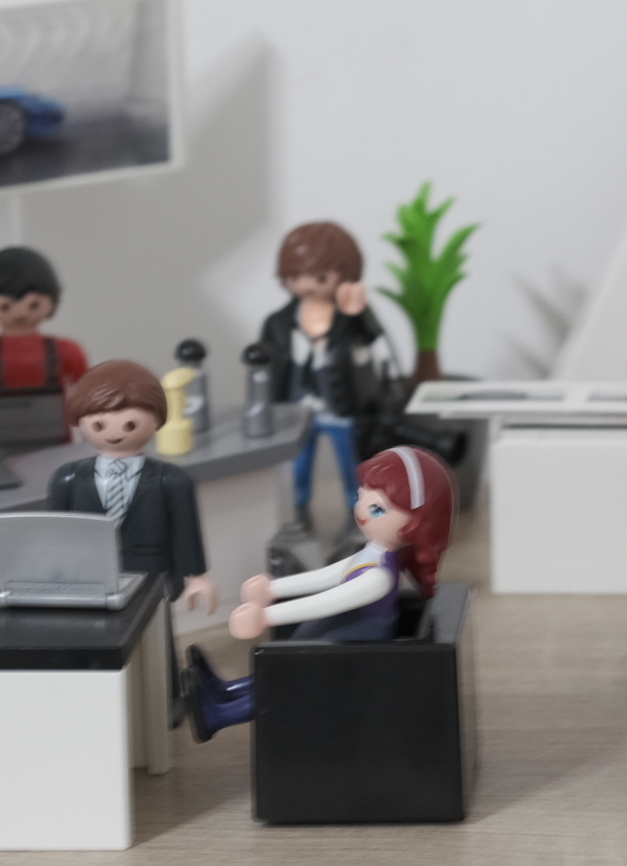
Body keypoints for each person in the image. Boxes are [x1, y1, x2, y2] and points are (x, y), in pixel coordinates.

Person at [183, 444, 450, 742]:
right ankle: (224, 692)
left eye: (377, 509)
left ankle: (219, 715)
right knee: (282, 671)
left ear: (414, 526)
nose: (362, 512)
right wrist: (274, 588)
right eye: (360, 497)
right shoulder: (372, 555)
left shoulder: (379, 578)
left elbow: (328, 601)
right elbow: (330, 574)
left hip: (355, 645)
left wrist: (266, 616)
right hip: (343, 632)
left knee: (287, 683)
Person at [44, 360, 219, 615]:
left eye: (130, 424)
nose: (114, 433)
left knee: (155, 631)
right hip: (88, 578)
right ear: (80, 421)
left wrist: (197, 576)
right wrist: (51, 577)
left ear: (157, 420)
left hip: (153, 577)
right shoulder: (68, 479)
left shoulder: (171, 479)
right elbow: (54, 537)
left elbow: (187, 530)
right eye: (99, 425)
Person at [258, 222, 398, 530]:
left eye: (320, 277)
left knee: (353, 467)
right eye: (295, 277)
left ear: (345, 274)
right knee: (297, 468)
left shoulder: (350, 318)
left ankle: (358, 514)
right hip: (296, 409)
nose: (306, 285)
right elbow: (267, 367)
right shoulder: (278, 322)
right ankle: (299, 514)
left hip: (341, 406)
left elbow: (373, 338)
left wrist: (358, 309)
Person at [0, 246, 90, 445]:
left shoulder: (67, 350)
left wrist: (94, 445)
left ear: (52, 301)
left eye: (33, 304)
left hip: (56, 450)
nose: (20, 313)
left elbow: (89, 401)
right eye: (5, 306)